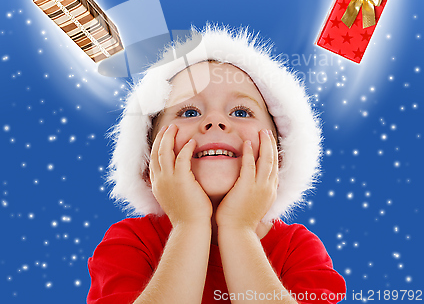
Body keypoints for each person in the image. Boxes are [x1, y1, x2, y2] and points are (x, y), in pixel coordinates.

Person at [87, 25, 346, 304]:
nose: (214, 122)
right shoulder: (130, 243)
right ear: (149, 161)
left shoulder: (298, 249)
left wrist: (239, 228)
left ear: (279, 155)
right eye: (189, 111)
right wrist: (189, 224)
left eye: (240, 112)